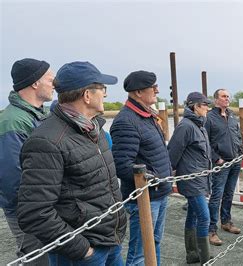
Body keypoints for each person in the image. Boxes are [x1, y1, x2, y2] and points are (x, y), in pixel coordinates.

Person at [16, 61, 127, 265]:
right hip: (83, 252)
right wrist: (83, 250)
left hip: (110, 240)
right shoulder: (46, 141)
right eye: (103, 89)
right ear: (87, 95)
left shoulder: (95, 130)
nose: (106, 95)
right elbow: (34, 212)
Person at [110, 70, 172, 265]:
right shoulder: (126, 121)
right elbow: (122, 165)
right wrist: (152, 177)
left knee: (154, 244)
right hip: (144, 198)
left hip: (158, 194)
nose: (157, 90)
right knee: (139, 254)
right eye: (152, 86)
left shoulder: (146, 116)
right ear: (138, 92)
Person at [0, 58, 54, 265]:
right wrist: (39, 213)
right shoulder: (13, 120)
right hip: (30, 213)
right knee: (38, 260)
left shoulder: (41, 115)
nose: (54, 85)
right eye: (50, 80)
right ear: (35, 83)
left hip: (45, 209)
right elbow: (12, 180)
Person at [168, 92, 212, 264]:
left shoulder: (199, 125)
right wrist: (170, 173)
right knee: (204, 217)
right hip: (192, 179)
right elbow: (173, 152)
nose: (208, 108)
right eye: (205, 104)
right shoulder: (186, 126)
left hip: (200, 178)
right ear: (195, 106)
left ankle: (193, 254)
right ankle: (205, 258)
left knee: (193, 216)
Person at [205, 88, 243, 245]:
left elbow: (238, 135)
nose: (227, 98)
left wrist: (240, 150)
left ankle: (226, 221)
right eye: (223, 96)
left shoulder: (232, 116)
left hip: (235, 161)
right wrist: (216, 159)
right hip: (221, 163)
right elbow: (205, 141)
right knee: (216, 196)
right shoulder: (209, 118)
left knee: (229, 193)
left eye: (228, 96)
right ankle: (211, 229)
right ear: (216, 100)